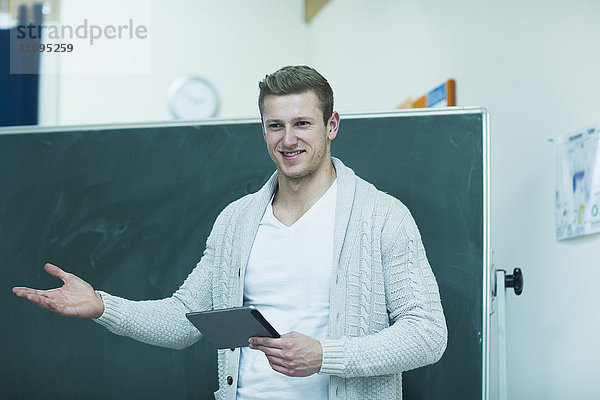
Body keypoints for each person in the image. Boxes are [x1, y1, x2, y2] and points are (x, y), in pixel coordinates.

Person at [13, 65, 447, 400]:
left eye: (302, 123)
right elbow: (184, 319)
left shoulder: (382, 217)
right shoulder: (236, 222)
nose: (288, 138)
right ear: (263, 130)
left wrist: (326, 356)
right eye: (275, 125)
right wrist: (102, 306)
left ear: (331, 125)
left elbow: (428, 334)